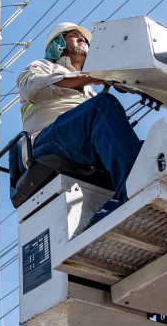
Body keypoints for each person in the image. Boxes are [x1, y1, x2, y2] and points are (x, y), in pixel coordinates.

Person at [17, 22, 142, 219]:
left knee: (143, 149)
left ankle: (107, 211)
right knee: (103, 105)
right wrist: (84, 78)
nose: (82, 39)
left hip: (79, 140)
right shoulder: (42, 66)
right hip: (45, 141)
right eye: (73, 35)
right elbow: (32, 88)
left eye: (83, 38)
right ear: (58, 43)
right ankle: (136, 192)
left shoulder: (90, 92)